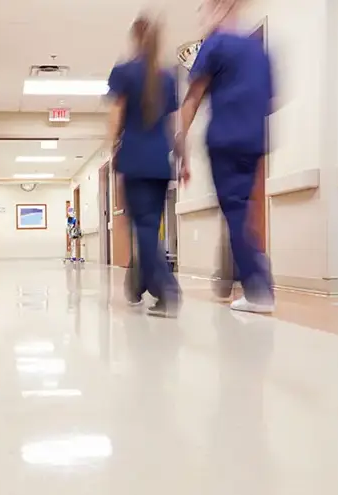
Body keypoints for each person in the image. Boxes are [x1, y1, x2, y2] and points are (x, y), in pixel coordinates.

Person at [179, 0, 276, 314]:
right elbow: (270, 102)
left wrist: (181, 146)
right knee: (243, 211)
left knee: (234, 213)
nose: (202, 18)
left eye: (204, 10)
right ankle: (251, 273)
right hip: (254, 140)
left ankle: (258, 288)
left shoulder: (215, 44)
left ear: (220, 7)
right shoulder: (260, 52)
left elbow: (193, 98)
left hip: (225, 140)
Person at [107, 14, 184, 317]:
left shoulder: (124, 72)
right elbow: (173, 124)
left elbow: (117, 114)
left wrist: (112, 146)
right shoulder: (166, 77)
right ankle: (144, 285)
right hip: (160, 160)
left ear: (135, 38)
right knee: (151, 227)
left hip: (135, 160)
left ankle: (167, 290)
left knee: (145, 229)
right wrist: (183, 156)